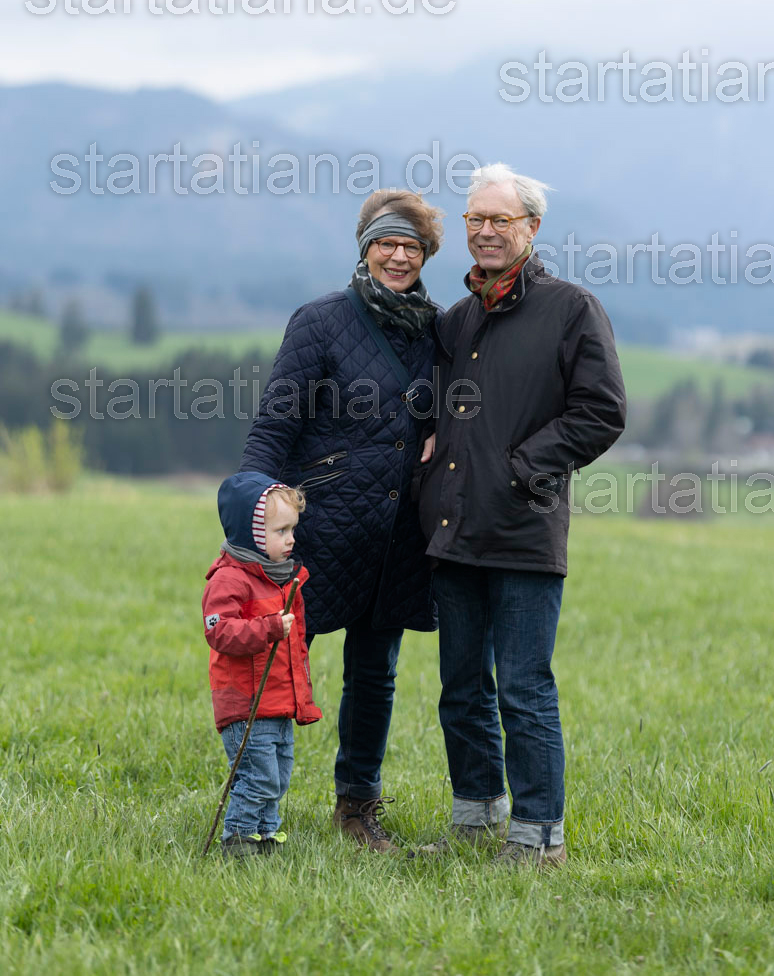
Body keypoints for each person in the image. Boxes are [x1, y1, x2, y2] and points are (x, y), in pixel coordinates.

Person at [417, 163, 627, 865]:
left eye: (499, 220)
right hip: (453, 531)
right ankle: (476, 820)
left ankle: (539, 838)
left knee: (524, 689)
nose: (484, 231)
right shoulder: (457, 320)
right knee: (461, 688)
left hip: (523, 530)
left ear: (531, 227)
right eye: (474, 219)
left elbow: (602, 411)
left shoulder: (571, 309)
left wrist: (521, 468)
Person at [238, 190, 442, 852]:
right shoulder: (320, 322)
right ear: (364, 247)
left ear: (426, 256)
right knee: (278, 667)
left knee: (376, 674)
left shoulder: (438, 331)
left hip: (397, 537)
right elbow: (274, 427)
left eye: (412, 246)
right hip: (316, 530)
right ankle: (254, 811)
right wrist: (251, 515)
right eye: (386, 242)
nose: (398, 256)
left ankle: (357, 810)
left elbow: (452, 415)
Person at [202, 472, 322, 857]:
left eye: (292, 529)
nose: (291, 539)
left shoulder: (281, 579)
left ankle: (266, 836)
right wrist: (268, 628)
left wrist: (300, 698)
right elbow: (219, 631)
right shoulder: (229, 579)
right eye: (281, 531)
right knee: (259, 777)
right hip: (247, 704)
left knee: (279, 776)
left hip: (278, 702)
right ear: (253, 534)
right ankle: (238, 838)